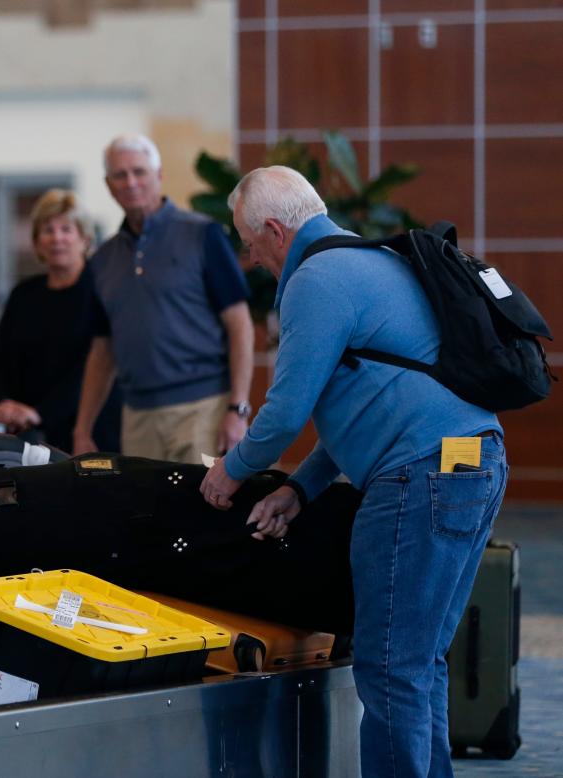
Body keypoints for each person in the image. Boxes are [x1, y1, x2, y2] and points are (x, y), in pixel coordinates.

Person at [199, 166, 507, 777]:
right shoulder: (371, 261)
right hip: (471, 461)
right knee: (419, 664)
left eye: (249, 240)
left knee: (390, 667)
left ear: (272, 229)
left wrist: (230, 472)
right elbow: (369, 404)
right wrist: (299, 488)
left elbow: (286, 410)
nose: (249, 255)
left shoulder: (317, 279)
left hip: (420, 478)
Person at [72, 134, 254, 463]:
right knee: (149, 514)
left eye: (139, 172)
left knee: (203, 511)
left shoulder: (203, 235)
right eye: (120, 175)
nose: (130, 182)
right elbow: (102, 351)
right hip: (138, 419)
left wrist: (237, 409)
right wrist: (82, 429)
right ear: (108, 185)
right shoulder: (102, 260)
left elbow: (240, 325)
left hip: (204, 410)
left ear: (159, 176)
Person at [0, 189, 120, 452]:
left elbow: (93, 366)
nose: (57, 238)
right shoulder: (23, 294)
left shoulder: (102, 291)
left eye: (66, 229)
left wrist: (40, 412)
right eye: (47, 230)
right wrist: (4, 404)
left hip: (88, 430)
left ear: (84, 238)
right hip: (26, 431)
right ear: (37, 242)